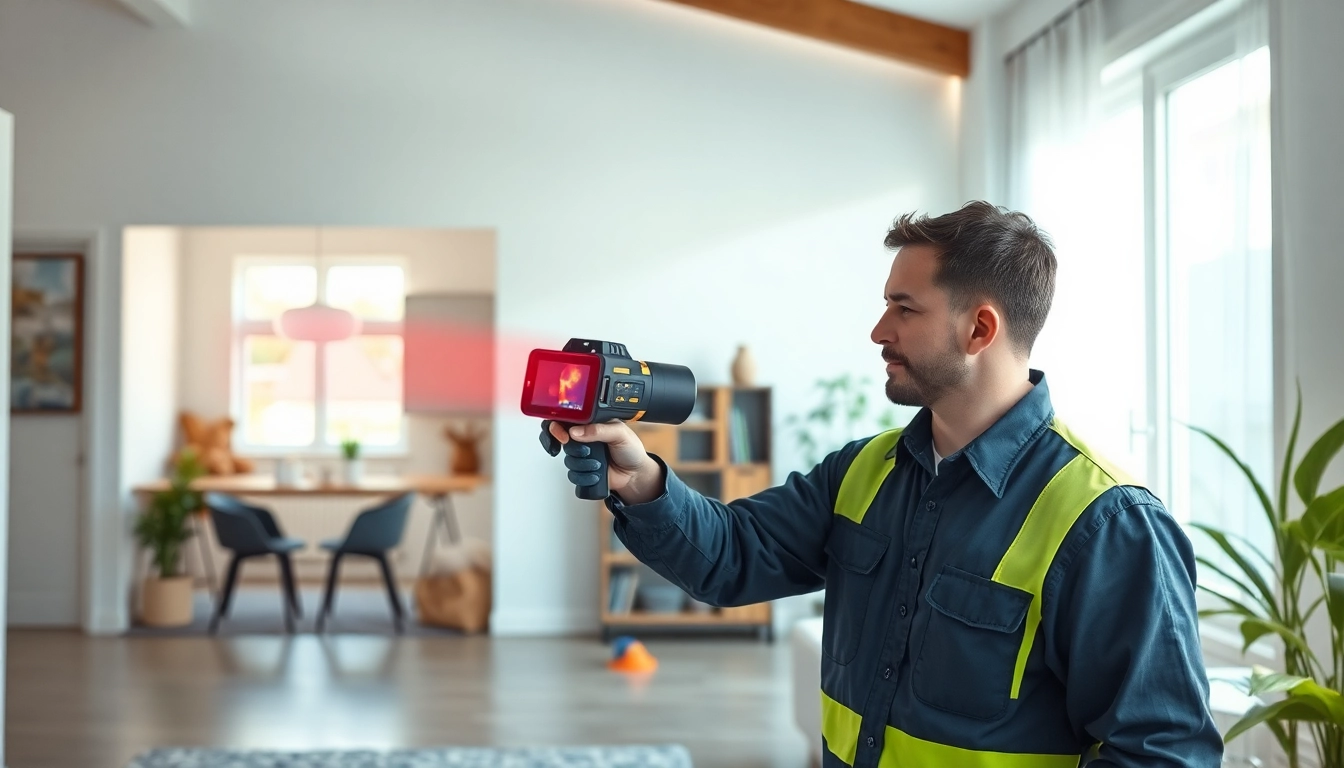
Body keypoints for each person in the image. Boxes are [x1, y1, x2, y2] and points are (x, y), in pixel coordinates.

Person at [548, 201, 1224, 766]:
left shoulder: (1108, 522)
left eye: (905, 308)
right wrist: (640, 480)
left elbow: (1162, 752)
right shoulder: (862, 472)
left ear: (979, 328)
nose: (879, 331)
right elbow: (731, 556)